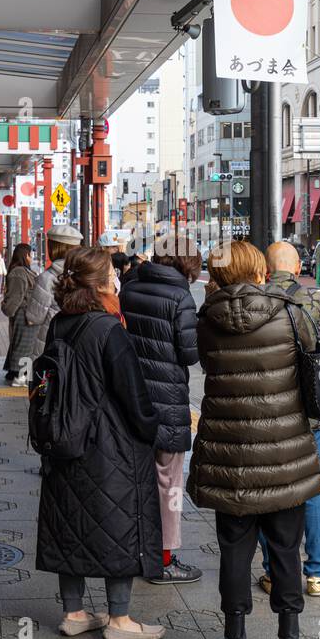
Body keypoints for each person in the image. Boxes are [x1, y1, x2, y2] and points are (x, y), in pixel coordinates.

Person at [190, 240, 320, 639]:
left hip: (230, 458)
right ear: (260, 271)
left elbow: (209, 367)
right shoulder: (288, 313)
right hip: (285, 455)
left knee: (234, 549)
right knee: (286, 547)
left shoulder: (207, 321)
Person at [36, 246, 166, 639]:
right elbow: (135, 397)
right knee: (117, 526)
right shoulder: (109, 330)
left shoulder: (61, 323)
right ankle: (119, 620)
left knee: (69, 524)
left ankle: (73, 612)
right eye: (112, 273)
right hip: (110, 449)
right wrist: (152, 431)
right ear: (102, 283)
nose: (118, 278)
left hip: (64, 442)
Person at [258, 241, 320, 598]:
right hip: (311, 416)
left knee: (269, 493)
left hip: (268, 414)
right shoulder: (319, 300)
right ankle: (316, 573)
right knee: (315, 493)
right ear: (297, 269)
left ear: (265, 270)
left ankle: (274, 573)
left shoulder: (253, 301)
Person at [119, 236, 202, 585]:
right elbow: (189, 354)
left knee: (136, 480)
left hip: (131, 398)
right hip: (167, 401)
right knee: (169, 482)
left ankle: (136, 551)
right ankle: (165, 558)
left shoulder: (130, 287)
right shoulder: (180, 297)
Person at [25, 224, 83, 359]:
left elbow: (34, 316)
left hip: (51, 340)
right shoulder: (86, 275)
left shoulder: (48, 278)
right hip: (82, 338)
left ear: (54, 248)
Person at [0, 243, 38, 385]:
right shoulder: (19, 273)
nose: (32, 258)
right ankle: (21, 377)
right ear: (25, 256)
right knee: (25, 346)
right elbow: (16, 297)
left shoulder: (20, 271)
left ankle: (13, 371)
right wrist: (6, 308)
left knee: (21, 344)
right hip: (24, 315)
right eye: (30, 255)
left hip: (25, 314)